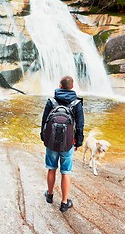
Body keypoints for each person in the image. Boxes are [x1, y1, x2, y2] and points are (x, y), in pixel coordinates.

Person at [40, 75, 84, 212]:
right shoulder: (77, 104)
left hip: (51, 142)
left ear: (60, 86)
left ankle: (50, 194)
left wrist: (44, 138)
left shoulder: (51, 101)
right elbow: (80, 126)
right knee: (66, 172)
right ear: (72, 87)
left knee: (51, 168)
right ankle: (64, 202)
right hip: (68, 143)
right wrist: (78, 142)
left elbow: (44, 122)